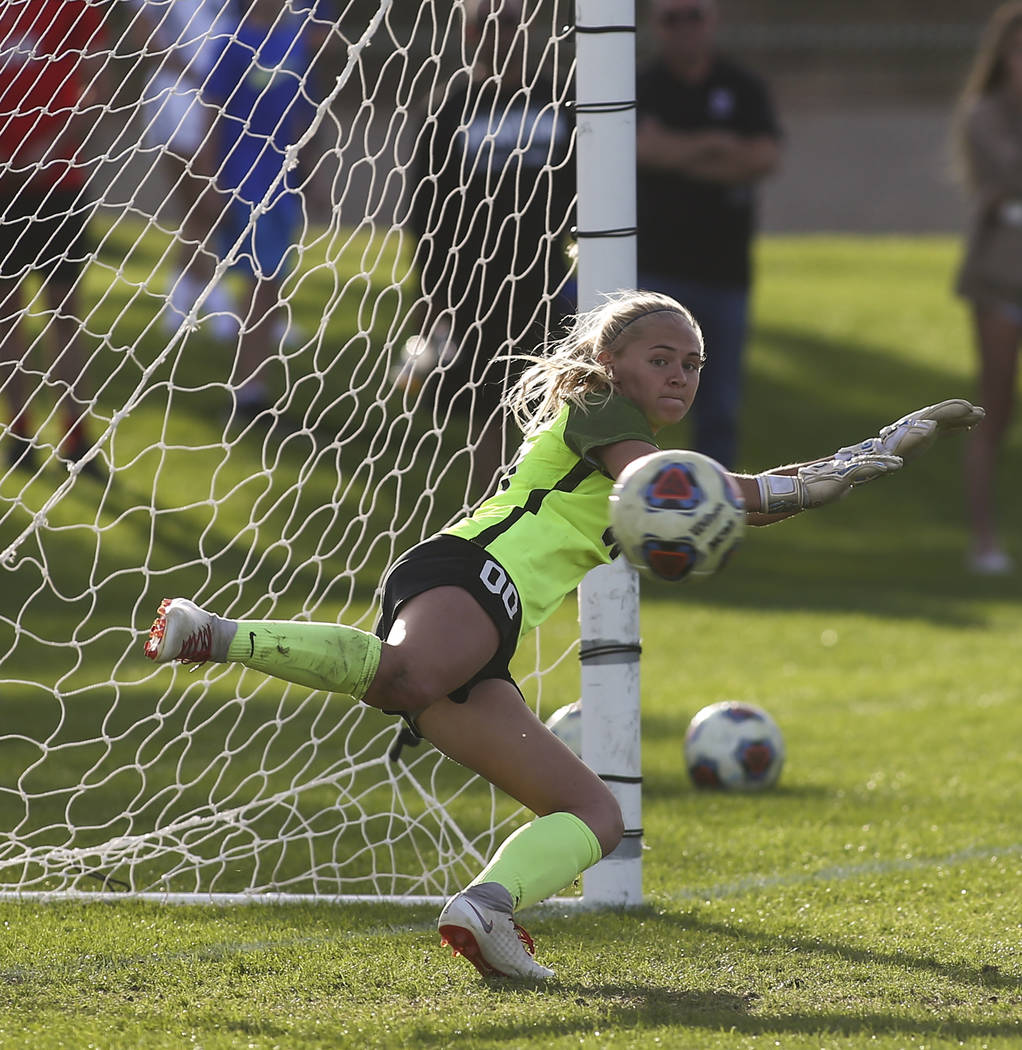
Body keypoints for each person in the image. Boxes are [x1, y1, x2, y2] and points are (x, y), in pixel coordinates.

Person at [141, 289, 983, 980]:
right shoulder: (599, 410)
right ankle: (214, 633)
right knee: (403, 679)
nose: (681, 374)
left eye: (693, 363)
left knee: (596, 814)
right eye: (662, 358)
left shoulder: (649, 466)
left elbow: (710, 496)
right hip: (467, 574)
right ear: (610, 362)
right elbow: (692, 490)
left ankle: (489, 909)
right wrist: (819, 475)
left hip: (494, 625)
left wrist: (857, 464)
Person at [408, 0, 575, 497]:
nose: (497, 34)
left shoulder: (562, 100)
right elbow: (426, 210)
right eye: (484, 24)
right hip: (477, 287)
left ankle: (552, 516)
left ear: (529, 28)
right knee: (491, 412)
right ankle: (488, 520)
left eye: (506, 22)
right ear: (466, 32)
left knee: (561, 406)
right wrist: (431, 297)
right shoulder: (448, 107)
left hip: (555, 278)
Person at [635, 0, 782, 470]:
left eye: (692, 15)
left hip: (724, 274)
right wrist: (716, 145)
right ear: (654, 25)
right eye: (670, 18)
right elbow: (642, 149)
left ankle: (712, 517)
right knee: (637, 401)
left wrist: (675, 151)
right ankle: (629, 509)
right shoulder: (641, 86)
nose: (683, 28)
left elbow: (763, 158)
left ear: (712, 20)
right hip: (651, 274)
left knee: (716, 408)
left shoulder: (742, 87)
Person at [201, 0, 322, 425]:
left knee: (269, 286)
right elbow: (213, 112)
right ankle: (246, 392)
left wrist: (310, 176)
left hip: (281, 182)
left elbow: (303, 116)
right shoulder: (232, 41)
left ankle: (253, 389)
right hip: (241, 180)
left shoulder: (294, 40)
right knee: (255, 286)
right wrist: (212, 179)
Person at [0, 0, 108, 475]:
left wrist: (49, 147)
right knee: (7, 311)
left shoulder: (76, 6)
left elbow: (101, 87)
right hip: (3, 185)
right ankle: (19, 434)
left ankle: (76, 437)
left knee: (64, 312)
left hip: (58, 182)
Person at [951, 1, 1022, 575]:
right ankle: (984, 540)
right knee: (994, 409)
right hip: (1000, 276)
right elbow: (1005, 171)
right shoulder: (984, 113)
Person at [129, 0, 239, 339]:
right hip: (179, 94)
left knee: (202, 210)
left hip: (220, 96)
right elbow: (142, 33)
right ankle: (213, 305)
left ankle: (185, 303)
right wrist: (194, 71)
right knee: (202, 204)